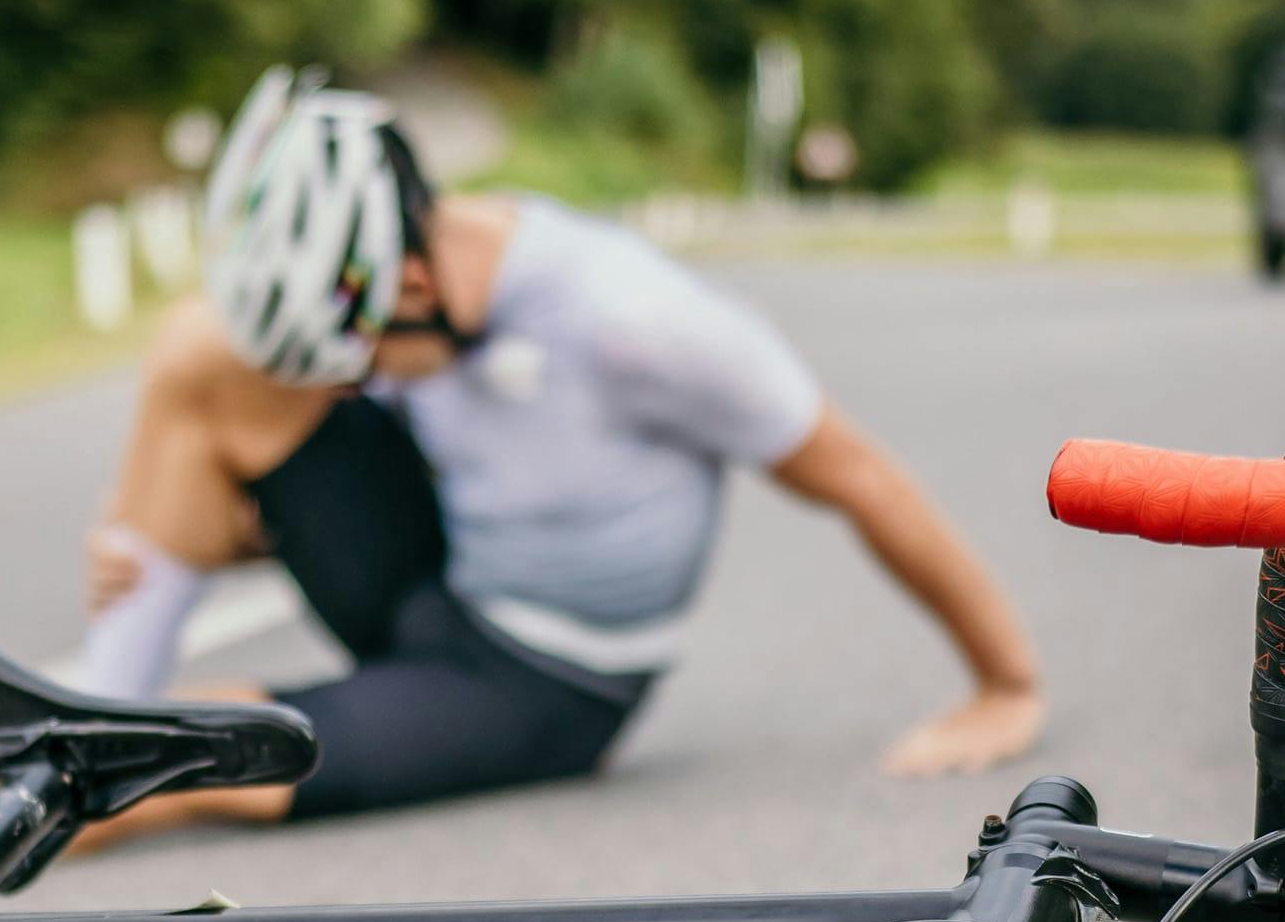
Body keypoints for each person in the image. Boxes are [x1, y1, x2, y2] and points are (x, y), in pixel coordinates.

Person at [73, 65, 1044, 844]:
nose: (348, 379)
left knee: (179, 756)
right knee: (201, 344)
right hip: (441, 575)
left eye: (357, 351)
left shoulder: (634, 323)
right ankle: (85, 707)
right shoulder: (405, 286)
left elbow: (859, 475)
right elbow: (345, 431)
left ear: (412, 277)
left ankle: (60, 768)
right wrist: (178, 540)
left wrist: (1006, 685)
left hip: (539, 681)